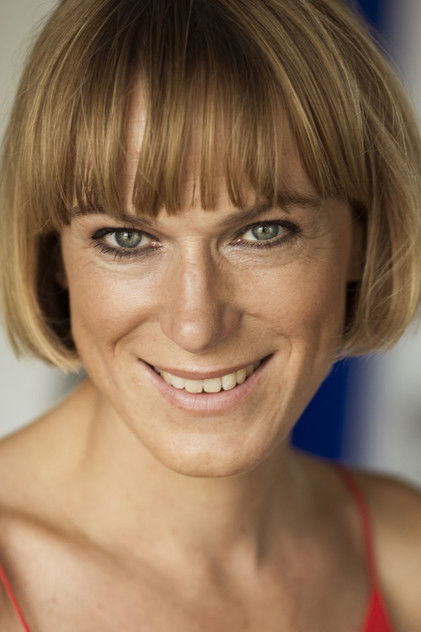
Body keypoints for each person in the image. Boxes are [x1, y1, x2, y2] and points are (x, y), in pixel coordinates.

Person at [0, 0, 420, 629]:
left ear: (361, 236)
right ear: (53, 253)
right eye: (126, 239)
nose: (196, 326)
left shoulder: (403, 552)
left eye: (263, 232)